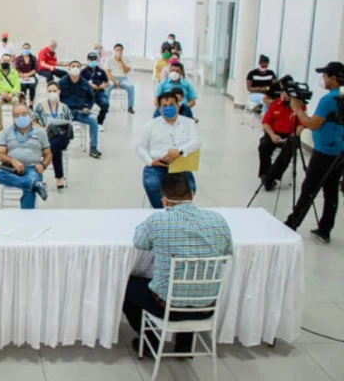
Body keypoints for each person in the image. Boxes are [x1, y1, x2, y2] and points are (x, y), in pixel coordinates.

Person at [123, 174, 233, 356]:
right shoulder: (218, 220)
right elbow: (228, 249)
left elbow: (139, 242)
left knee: (128, 285)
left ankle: (151, 341)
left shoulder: (157, 221)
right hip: (206, 306)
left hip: (166, 306)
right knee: (193, 278)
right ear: (192, 193)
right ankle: (184, 345)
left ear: (164, 201)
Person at [284, 62, 344, 243]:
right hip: (339, 151)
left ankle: (291, 224)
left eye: (325, 76)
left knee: (309, 188)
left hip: (324, 152)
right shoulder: (342, 95)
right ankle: (325, 229)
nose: (323, 79)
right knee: (331, 191)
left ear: (333, 78)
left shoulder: (328, 100)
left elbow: (312, 124)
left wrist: (296, 109)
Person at [137, 91, 200, 208]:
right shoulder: (150, 125)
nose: (168, 108)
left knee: (190, 188)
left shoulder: (189, 123)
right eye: (164, 106)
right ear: (159, 109)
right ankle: (160, 211)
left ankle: (179, 214)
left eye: (171, 104)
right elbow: (140, 147)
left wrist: (179, 151)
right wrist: (150, 161)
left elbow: (196, 142)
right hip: (157, 165)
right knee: (152, 185)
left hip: (180, 166)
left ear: (178, 106)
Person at [0, 104, 51, 209]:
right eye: (17, 115)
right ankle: (33, 184)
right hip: (11, 168)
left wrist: (43, 165)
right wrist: (13, 161)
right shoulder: (6, 133)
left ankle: (27, 218)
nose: (20, 117)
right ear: (13, 118)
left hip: (32, 168)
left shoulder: (40, 132)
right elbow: (0, 154)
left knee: (29, 187)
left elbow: (48, 154)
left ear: (30, 116)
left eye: (24, 114)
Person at [258, 86, 304, 191]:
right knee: (264, 145)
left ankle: (272, 176)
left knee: (289, 149)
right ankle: (264, 174)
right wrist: (272, 135)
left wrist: (295, 134)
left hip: (291, 135)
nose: (286, 96)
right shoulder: (275, 104)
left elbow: (302, 124)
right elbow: (265, 122)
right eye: (284, 94)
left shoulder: (299, 106)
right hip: (274, 133)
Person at [33, 82, 73, 190]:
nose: (52, 93)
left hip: (62, 135)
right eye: (50, 91)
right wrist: (42, 128)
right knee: (56, 150)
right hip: (46, 135)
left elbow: (69, 122)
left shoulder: (64, 107)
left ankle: (41, 167)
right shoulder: (40, 106)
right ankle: (59, 178)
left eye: (54, 91)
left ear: (59, 92)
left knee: (56, 143)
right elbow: (34, 121)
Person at [59, 60, 101, 158]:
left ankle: (93, 148)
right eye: (73, 66)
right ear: (69, 68)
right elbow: (57, 99)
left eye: (77, 66)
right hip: (66, 112)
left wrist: (88, 107)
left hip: (81, 112)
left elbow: (92, 97)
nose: (75, 68)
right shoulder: (62, 82)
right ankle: (59, 147)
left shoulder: (84, 83)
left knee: (93, 120)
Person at [0, 54, 21, 131]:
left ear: (10, 62)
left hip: (11, 94)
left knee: (16, 101)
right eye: (4, 60)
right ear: (0, 61)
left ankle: (16, 123)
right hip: (0, 95)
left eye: (8, 61)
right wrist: (1, 93)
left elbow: (17, 86)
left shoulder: (14, 73)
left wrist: (11, 94)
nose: (5, 62)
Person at [80, 52, 111, 131]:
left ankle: (99, 123)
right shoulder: (83, 71)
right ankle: (81, 122)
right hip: (87, 93)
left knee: (105, 104)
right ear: (87, 60)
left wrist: (102, 86)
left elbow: (107, 83)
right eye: (91, 60)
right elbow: (80, 82)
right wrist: (89, 85)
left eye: (94, 59)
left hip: (99, 92)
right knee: (81, 105)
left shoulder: (101, 71)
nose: (93, 61)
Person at [104, 43, 136, 114]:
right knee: (107, 87)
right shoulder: (109, 60)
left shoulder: (126, 59)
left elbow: (126, 71)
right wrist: (114, 81)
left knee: (131, 87)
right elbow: (107, 72)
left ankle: (130, 107)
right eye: (117, 50)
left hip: (123, 78)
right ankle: (105, 106)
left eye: (120, 50)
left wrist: (120, 61)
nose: (119, 52)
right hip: (112, 78)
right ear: (114, 51)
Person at [15, 42, 38, 108]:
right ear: (22, 49)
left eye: (28, 48)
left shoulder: (33, 58)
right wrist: (23, 76)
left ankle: (31, 102)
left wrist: (27, 75)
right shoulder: (18, 58)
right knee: (22, 85)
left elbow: (35, 69)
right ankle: (23, 102)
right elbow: (17, 70)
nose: (26, 49)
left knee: (32, 85)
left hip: (31, 76)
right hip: (21, 77)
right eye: (25, 48)